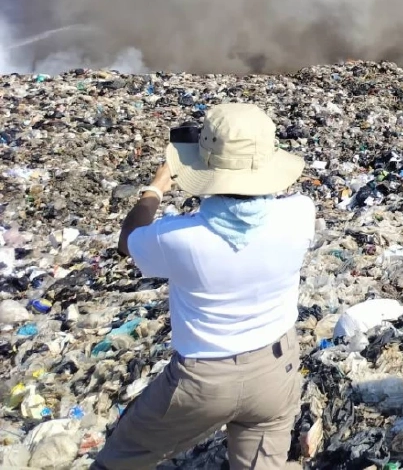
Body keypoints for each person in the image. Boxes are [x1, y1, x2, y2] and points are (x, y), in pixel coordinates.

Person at [93, 103, 316, 470]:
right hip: (277, 372)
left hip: (202, 381)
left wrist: (157, 186)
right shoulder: (300, 213)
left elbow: (128, 239)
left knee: (120, 458)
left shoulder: (178, 238)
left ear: (205, 166)